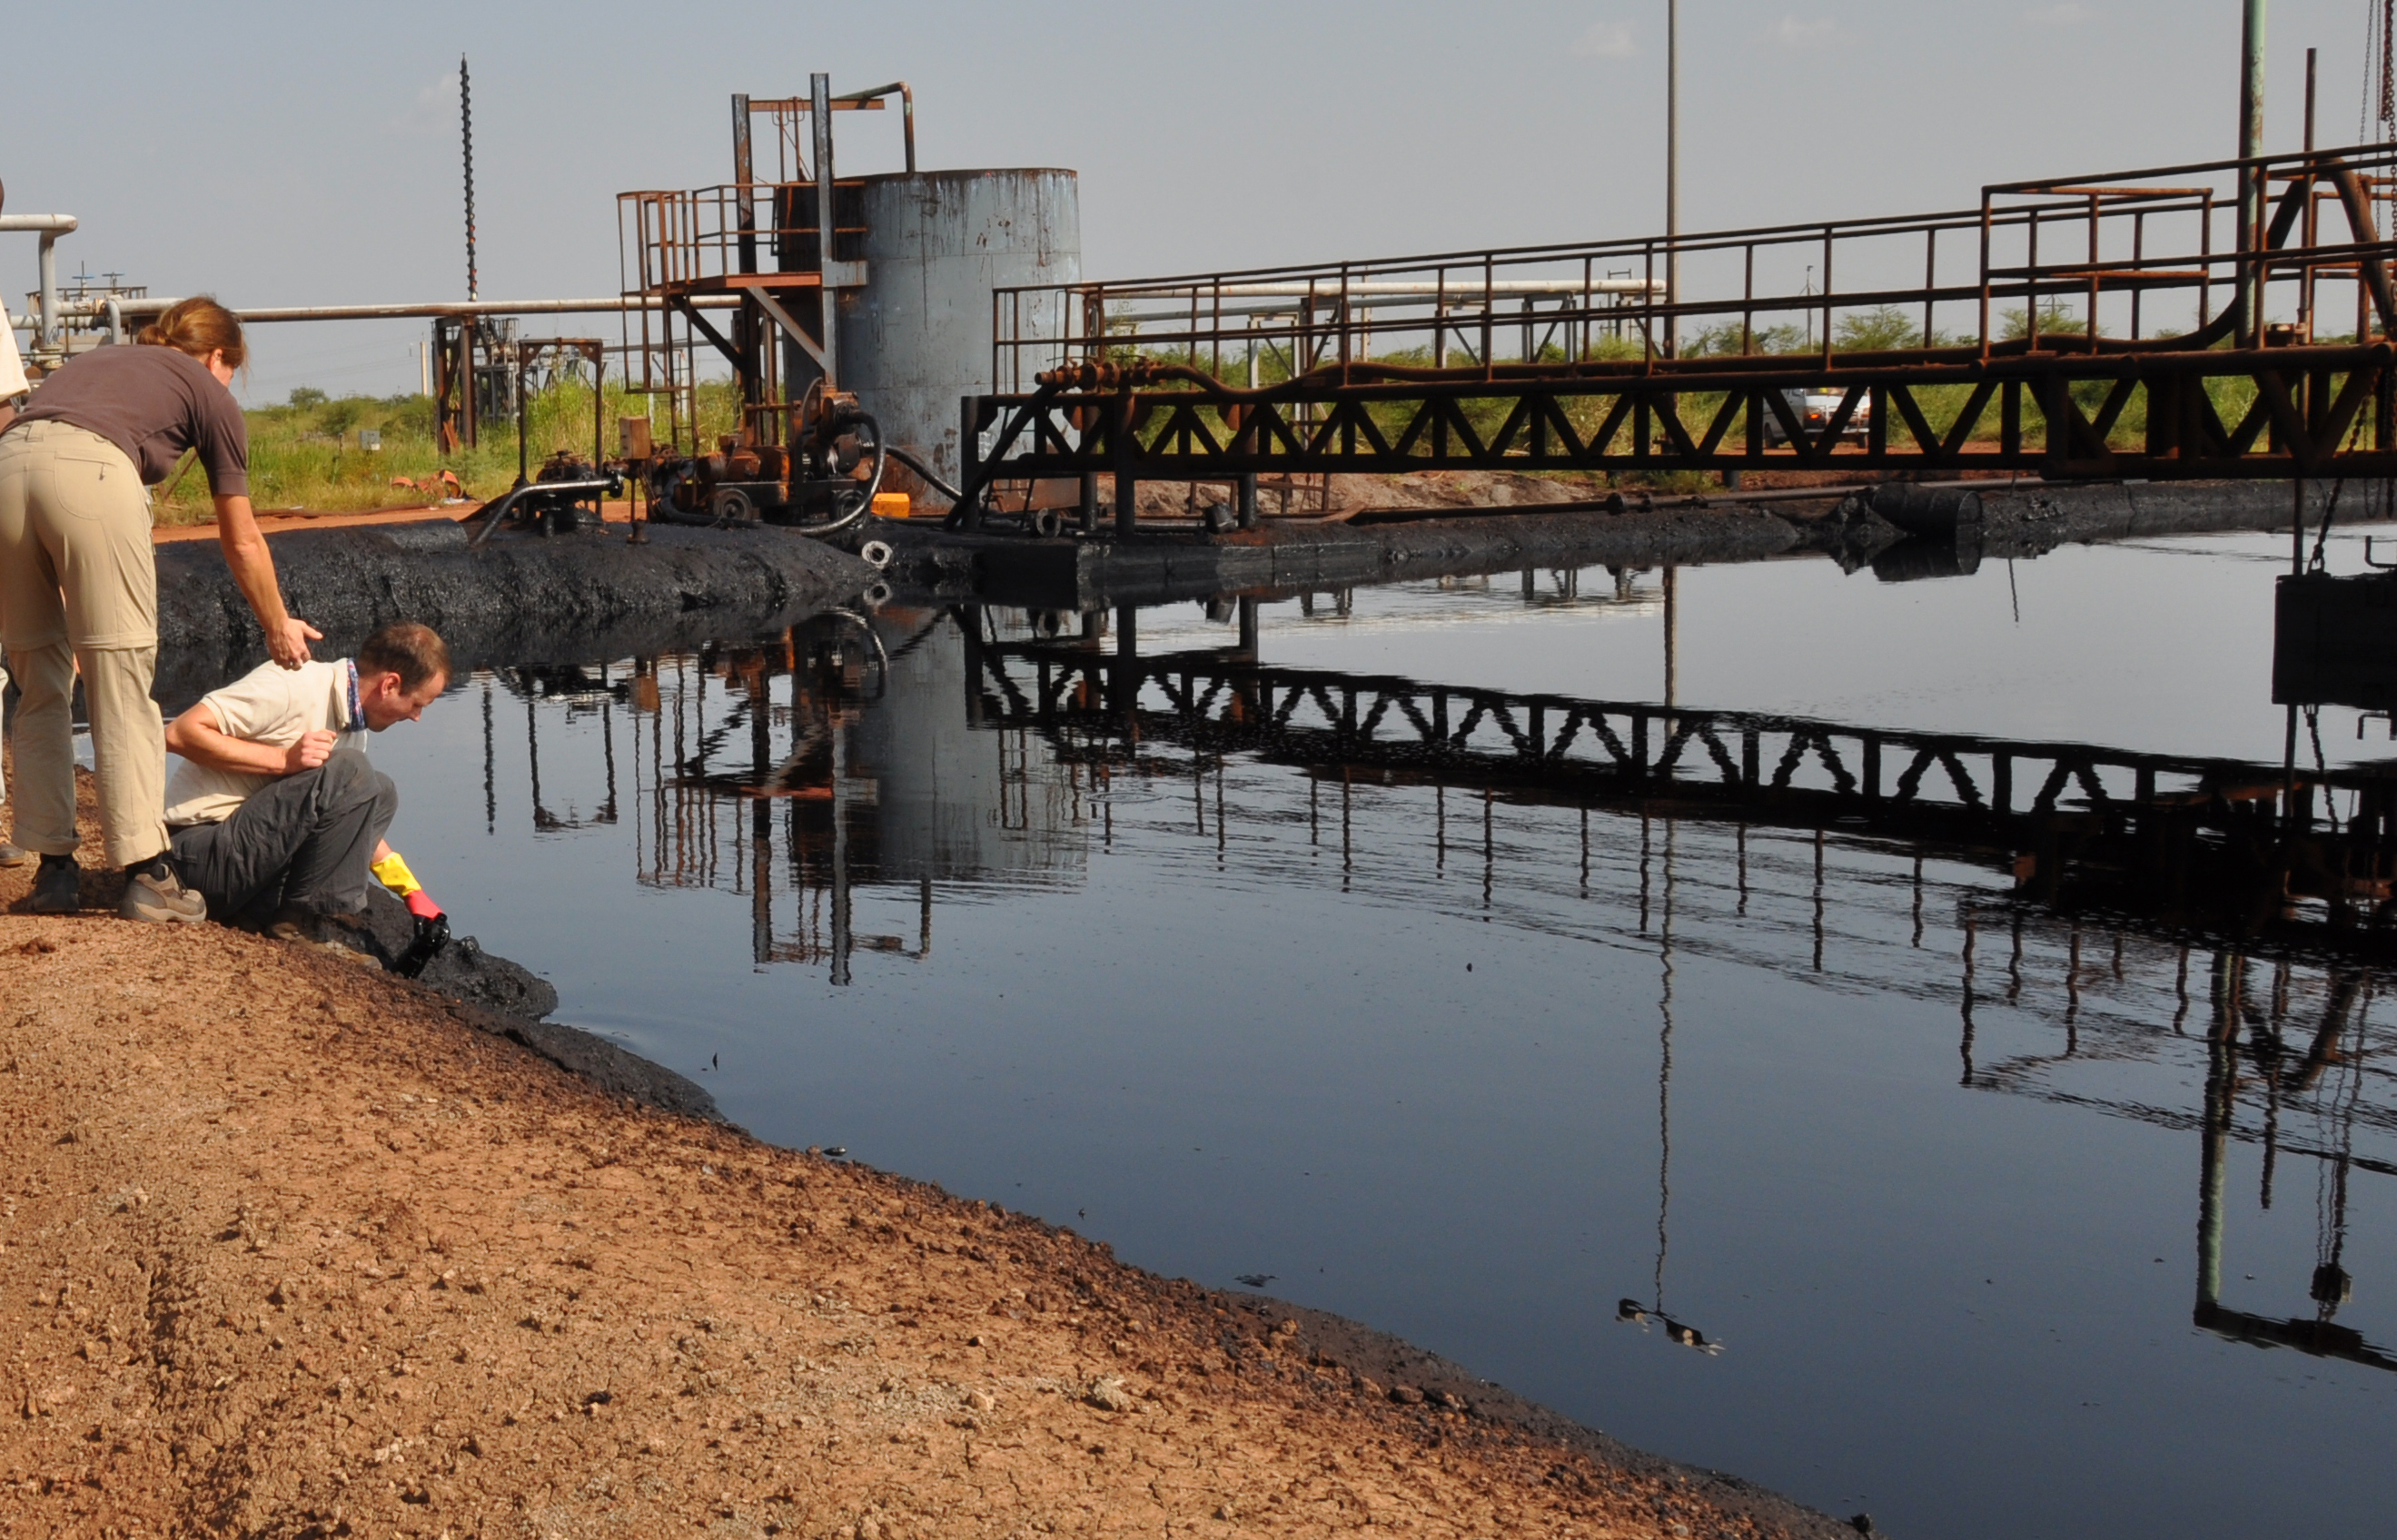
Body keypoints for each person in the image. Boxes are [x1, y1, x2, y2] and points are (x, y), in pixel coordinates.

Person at [0, 295, 319, 921]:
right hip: (93, 474)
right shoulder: (209, 393)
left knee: (38, 681)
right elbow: (241, 539)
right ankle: (149, 874)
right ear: (218, 356)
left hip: (6, 468)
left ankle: (55, 872)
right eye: (231, 370)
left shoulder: (101, 361)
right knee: (120, 679)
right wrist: (276, 623)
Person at [161, 621, 450, 944]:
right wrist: (284, 760)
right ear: (390, 685)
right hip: (192, 859)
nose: (416, 717)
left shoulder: (352, 730)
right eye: (417, 704)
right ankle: (301, 925)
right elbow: (179, 733)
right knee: (353, 771)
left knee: (380, 791)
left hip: (243, 862)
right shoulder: (294, 685)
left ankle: (283, 920)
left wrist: (411, 891)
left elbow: (352, 821)